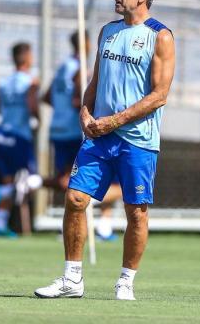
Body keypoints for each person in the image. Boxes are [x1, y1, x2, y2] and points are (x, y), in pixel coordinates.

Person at [35, 0, 175, 300]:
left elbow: (159, 95)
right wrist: (85, 111)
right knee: (74, 199)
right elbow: (94, 83)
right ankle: (72, 279)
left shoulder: (161, 36)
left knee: (136, 211)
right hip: (98, 136)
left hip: (138, 140)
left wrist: (114, 120)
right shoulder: (107, 31)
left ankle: (126, 280)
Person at [43, 30, 121, 241]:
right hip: (76, 129)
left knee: (70, 178)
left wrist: (62, 110)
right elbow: (79, 99)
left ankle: (104, 226)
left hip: (57, 127)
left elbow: (47, 96)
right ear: (86, 43)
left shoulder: (63, 66)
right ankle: (86, 207)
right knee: (102, 181)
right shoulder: (80, 67)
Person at [0, 42, 40, 237]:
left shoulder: (4, 82)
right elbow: (33, 108)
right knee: (33, 179)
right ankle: (17, 191)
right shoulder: (29, 82)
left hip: (2, 134)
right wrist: (39, 119)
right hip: (20, 135)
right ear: (28, 57)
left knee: (7, 180)